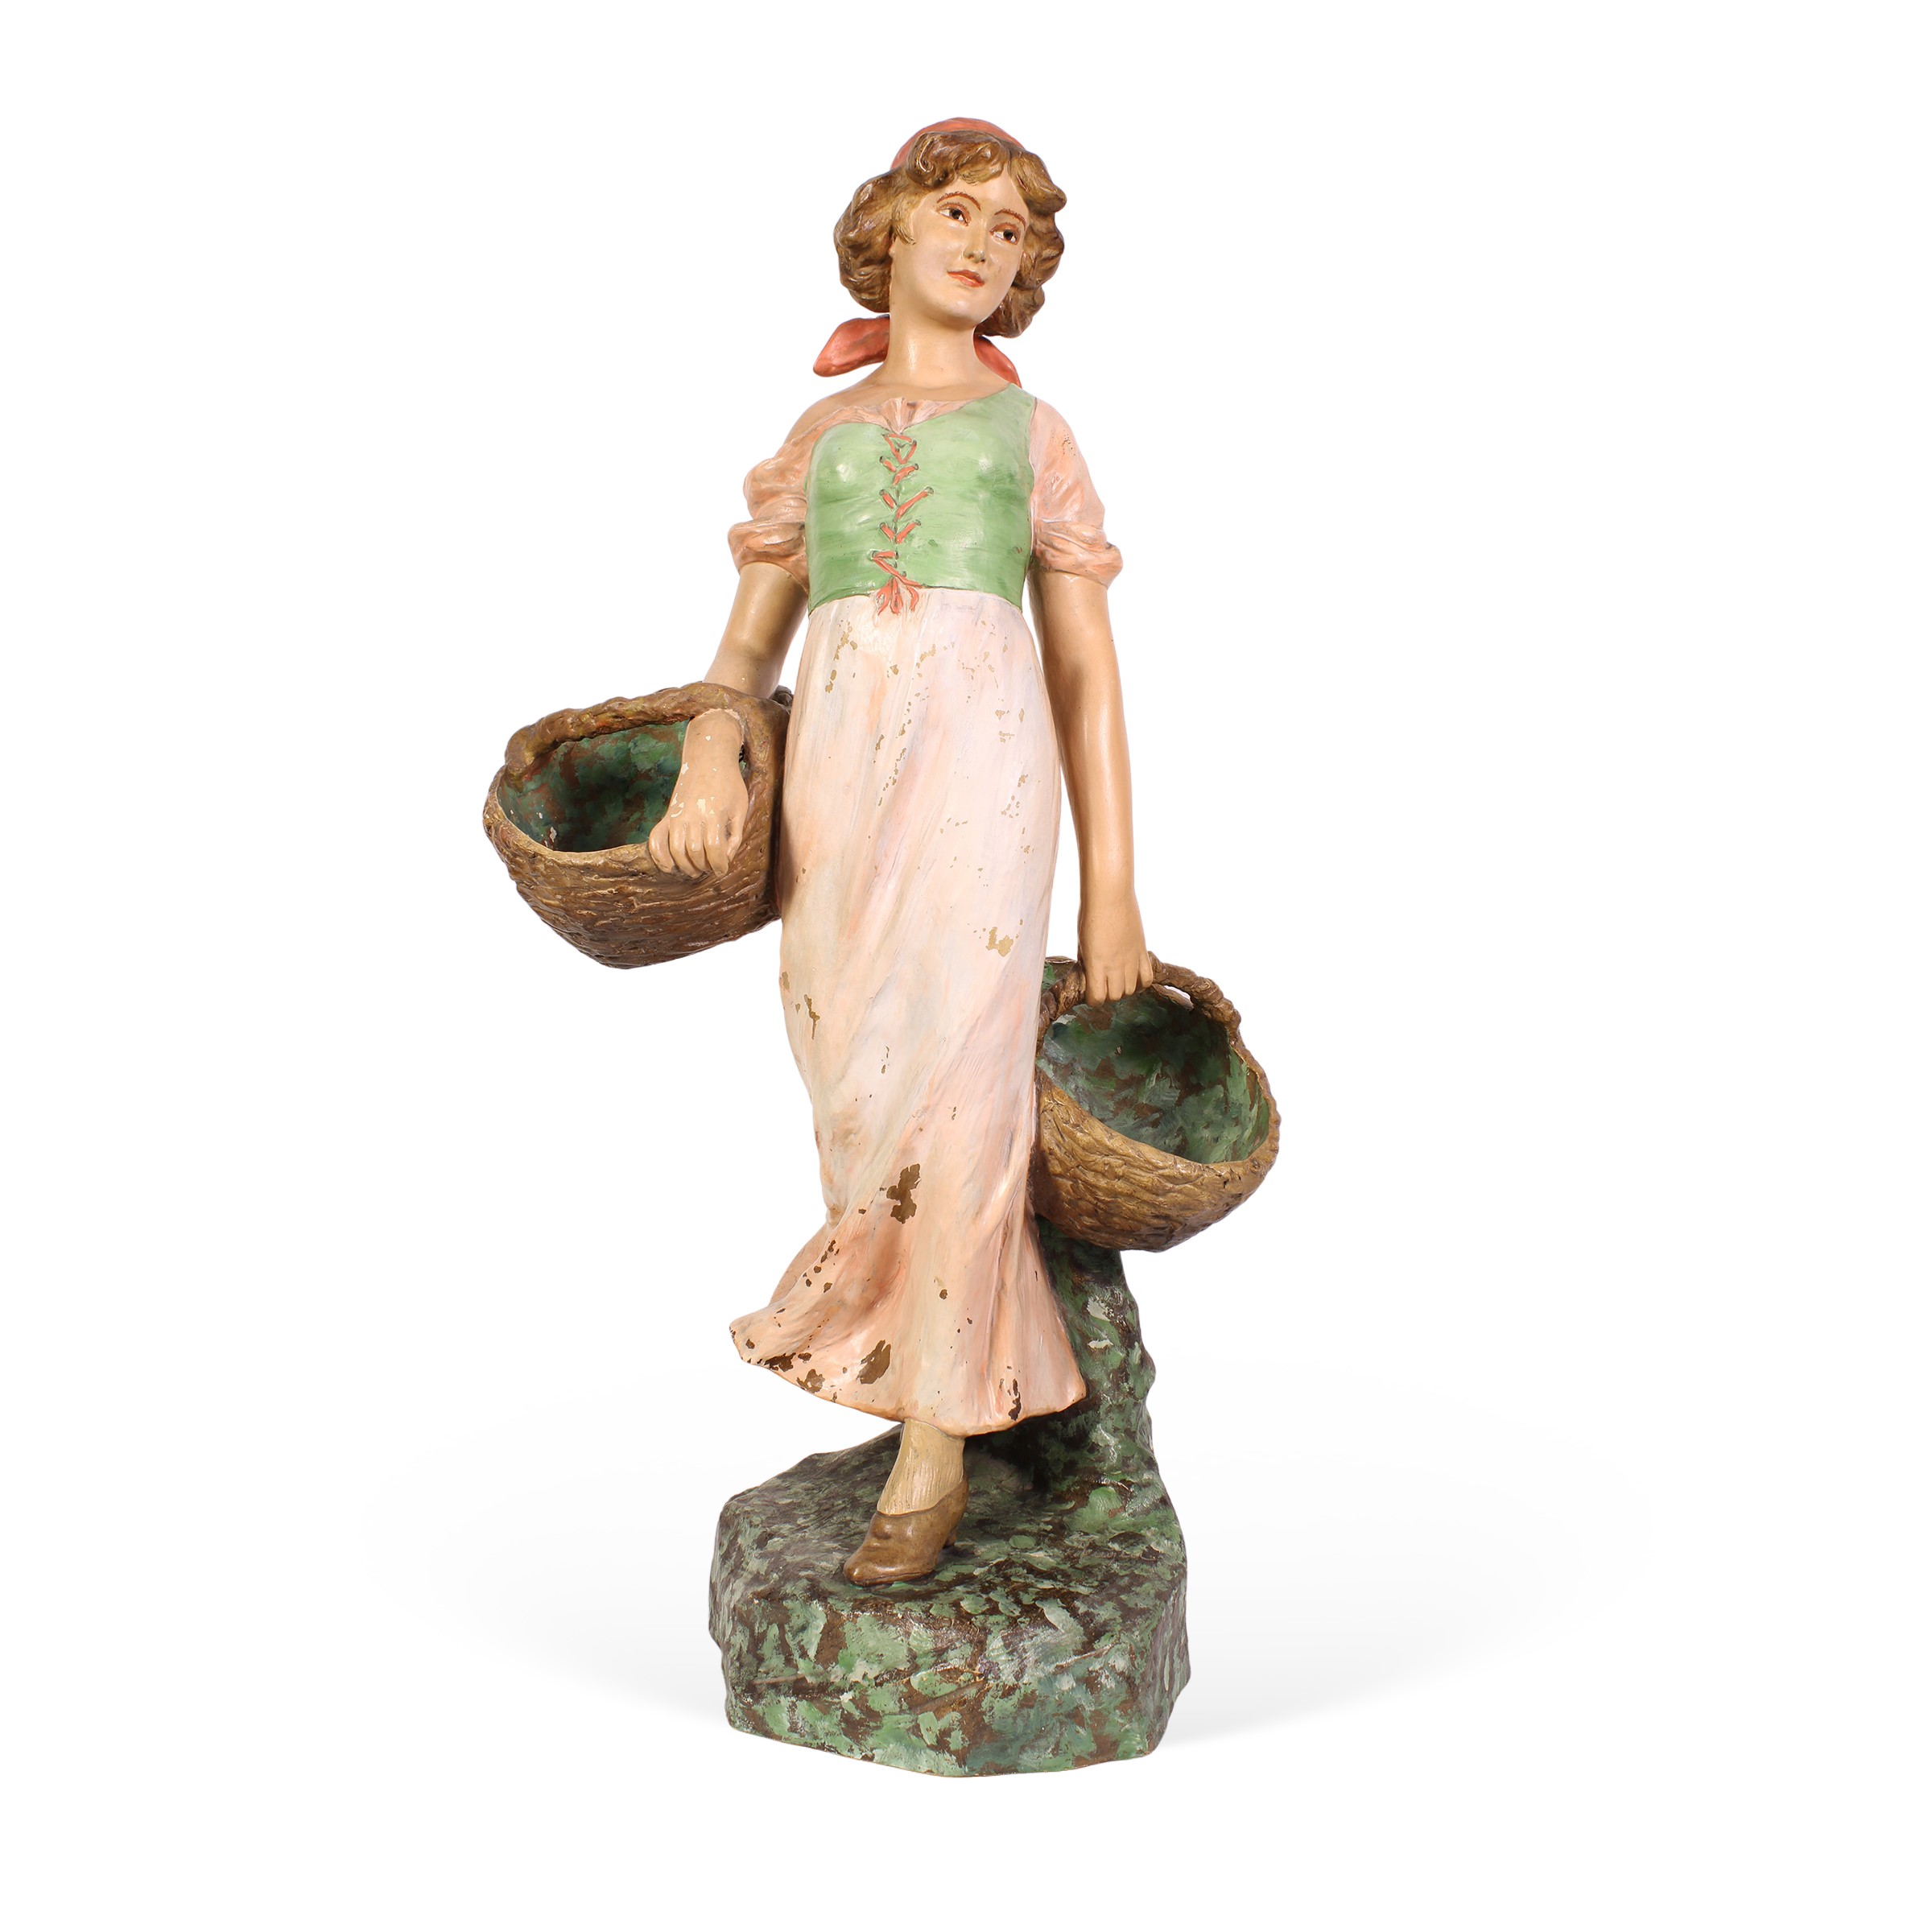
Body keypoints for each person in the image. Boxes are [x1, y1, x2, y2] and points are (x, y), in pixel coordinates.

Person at [646, 119, 1152, 1583]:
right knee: (854, 1078)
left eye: (1012, 229)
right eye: (959, 210)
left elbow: (1086, 668)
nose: (984, 242)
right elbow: (744, 649)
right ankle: (897, 1353)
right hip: (836, 777)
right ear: (891, 228)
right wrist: (708, 745)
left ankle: (940, 1426)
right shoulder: (820, 436)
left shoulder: (1035, 433)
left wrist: (1115, 889)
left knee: (965, 1083)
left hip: (986, 766)